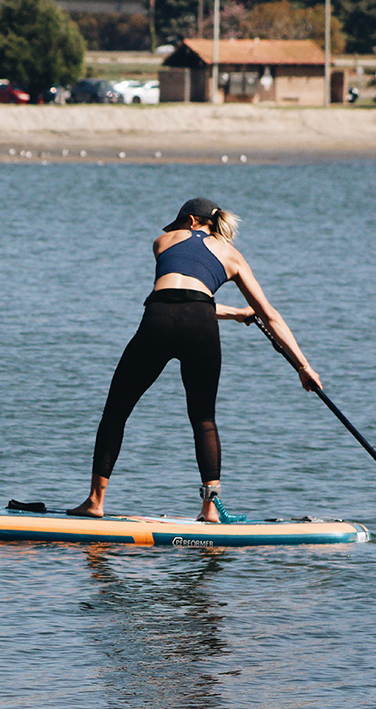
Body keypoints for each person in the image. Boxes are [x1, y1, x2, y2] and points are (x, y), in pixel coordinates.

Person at [68, 198, 322, 523]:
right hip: (201, 327)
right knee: (204, 419)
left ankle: (95, 501)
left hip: (157, 321)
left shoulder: (161, 242)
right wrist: (303, 366)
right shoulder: (232, 255)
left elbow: (174, 296)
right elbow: (261, 313)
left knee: (115, 412)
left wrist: (231, 314)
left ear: (189, 220)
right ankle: (210, 508)